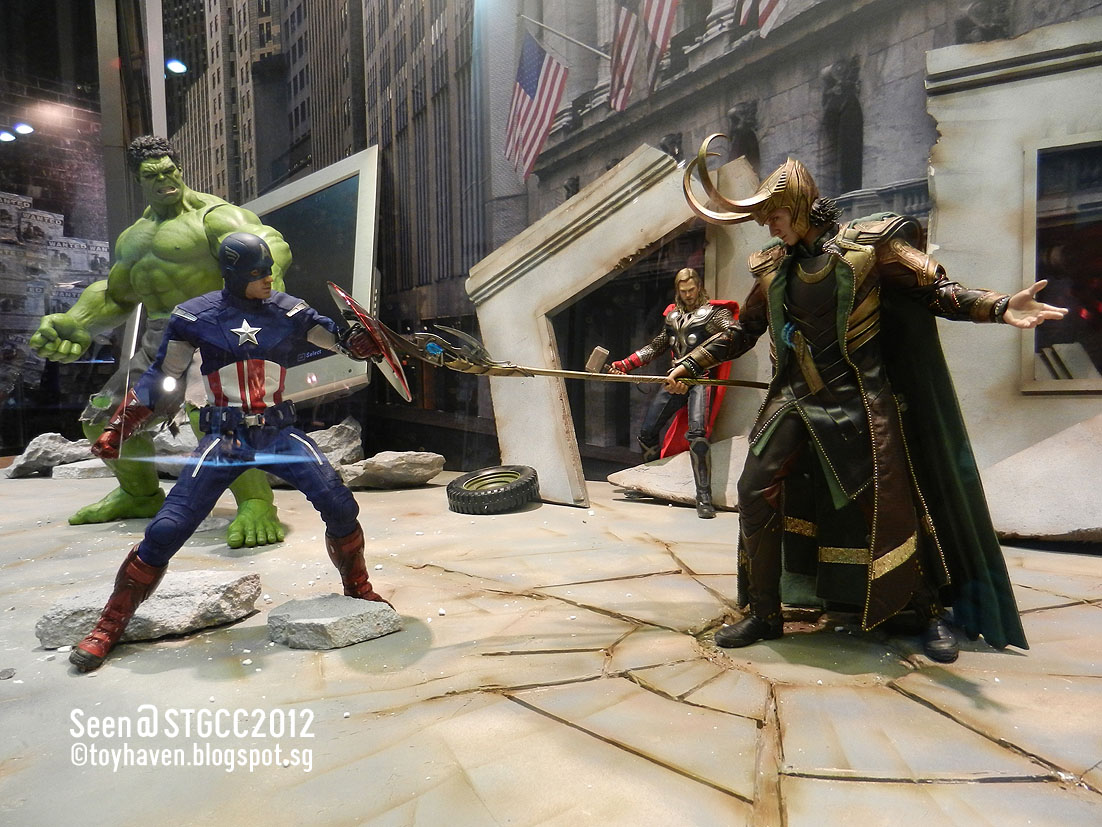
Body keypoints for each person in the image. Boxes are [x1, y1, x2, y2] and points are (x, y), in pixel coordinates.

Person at [672, 155, 1067, 662]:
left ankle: (923, 610)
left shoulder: (870, 247)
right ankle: (765, 613)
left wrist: (999, 306)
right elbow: (745, 329)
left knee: (886, 507)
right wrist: (693, 362)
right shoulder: (772, 266)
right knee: (753, 490)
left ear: (799, 205)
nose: (769, 226)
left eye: (774, 215)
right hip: (793, 397)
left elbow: (937, 293)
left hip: (857, 399)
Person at [69, 233, 388, 672]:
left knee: (340, 505)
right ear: (234, 274)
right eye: (258, 273)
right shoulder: (194, 316)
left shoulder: (289, 310)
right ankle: (110, 623)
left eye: (269, 271)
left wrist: (361, 343)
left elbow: (339, 340)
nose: (268, 279)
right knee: (167, 528)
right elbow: (163, 377)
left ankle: (358, 588)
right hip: (225, 437)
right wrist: (120, 425)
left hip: (279, 432)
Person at [29, 136, 290, 549]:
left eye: (170, 171)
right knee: (103, 418)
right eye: (152, 175)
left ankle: (256, 503)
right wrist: (76, 323)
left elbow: (271, 245)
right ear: (139, 180)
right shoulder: (134, 238)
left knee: (217, 420)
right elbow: (117, 296)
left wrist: (257, 302)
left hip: (216, 332)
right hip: (161, 338)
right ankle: (140, 495)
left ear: (179, 169)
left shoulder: (214, 217)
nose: (165, 180)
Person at [610, 268, 737, 518]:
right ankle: (651, 480)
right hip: (675, 379)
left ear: (699, 287)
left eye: (692, 289)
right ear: (678, 290)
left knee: (698, 436)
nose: (688, 294)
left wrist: (720, 341)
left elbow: (733, 334)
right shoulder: (673, 317)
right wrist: (625, 364)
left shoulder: (714, 314)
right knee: (647, 433)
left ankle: (704, 497)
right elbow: (656, 346)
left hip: (700, 379)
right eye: (683, 290)